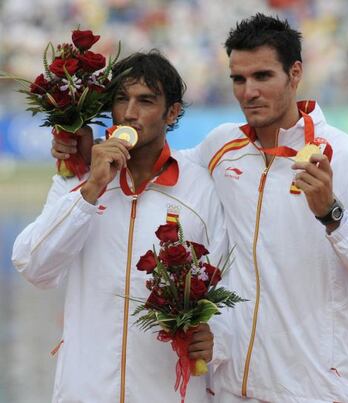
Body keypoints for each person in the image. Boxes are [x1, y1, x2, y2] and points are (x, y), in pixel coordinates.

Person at [50, 14, 348, 403]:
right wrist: (81, 152)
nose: (248, 92)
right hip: (229, 389)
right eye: (238, 79)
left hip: (317, 391)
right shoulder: (220, 148)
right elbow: (153, 164)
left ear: (295, 73)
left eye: (262, 76)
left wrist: (332, 215)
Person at [12, 50, 228, 403]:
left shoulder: (201, 189)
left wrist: (219, 340)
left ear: (172, 112)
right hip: (85, 392)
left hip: (168, 394)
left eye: (145, 101)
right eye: (121, 100)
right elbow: (34, 268)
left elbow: (229, 296)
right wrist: (91, 189)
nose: (130, 113)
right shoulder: (78, 179)